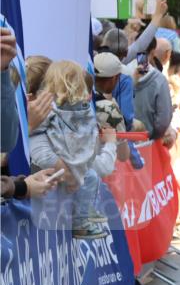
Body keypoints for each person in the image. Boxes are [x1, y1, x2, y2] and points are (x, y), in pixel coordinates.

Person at [29, 61, 120, 239]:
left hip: (70, 167)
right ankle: (80, 222)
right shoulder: (46, 110)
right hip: (48, 175)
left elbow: (89, 152)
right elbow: (39, 147)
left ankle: (84, 211)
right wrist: (70, 173)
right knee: (90, 177)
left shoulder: (82, 111)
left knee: (91, 177)